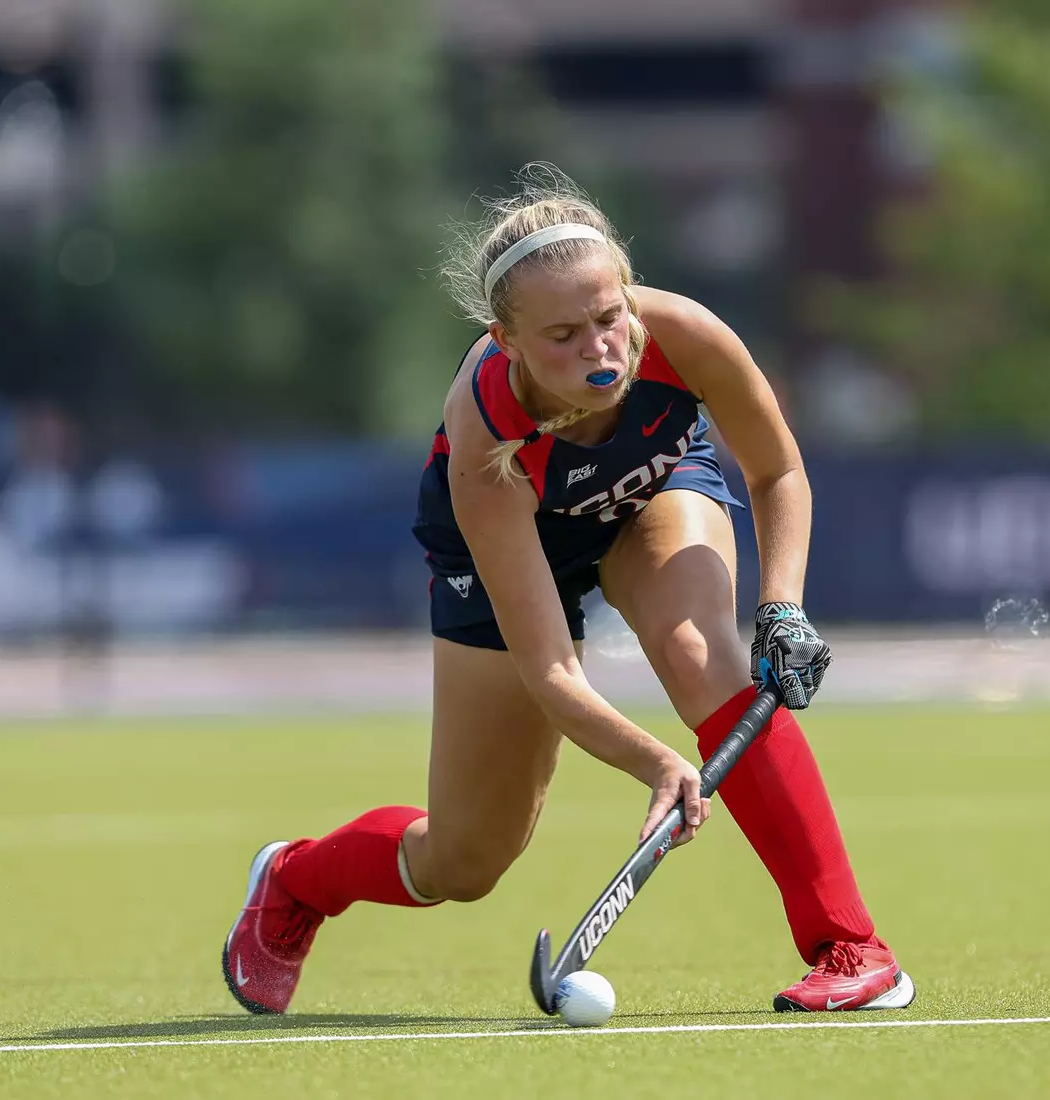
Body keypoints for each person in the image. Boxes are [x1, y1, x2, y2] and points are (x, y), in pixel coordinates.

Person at [222, 165, 914, 1015]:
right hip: (513, 545)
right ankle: (296, 881)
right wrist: (657, 764)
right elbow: (552, 673)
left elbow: (777, 471)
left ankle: (850, 947)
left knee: (703, 653)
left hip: (647, 494)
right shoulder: (486, 445)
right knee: (466, 862)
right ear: (505, 341)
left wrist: (783, 607)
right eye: (562, 336)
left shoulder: (684, 336)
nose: (599, 350)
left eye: (608, 318)